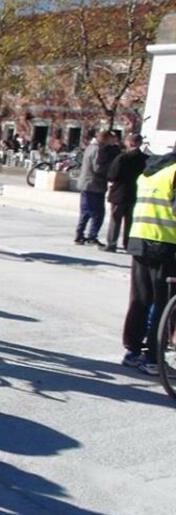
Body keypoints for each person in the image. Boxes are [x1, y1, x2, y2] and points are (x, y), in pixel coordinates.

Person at [121, 144, 176, 375]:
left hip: (140, 239)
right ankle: (154, 358)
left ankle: (132, 350)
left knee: (140, 299)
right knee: (164, 303)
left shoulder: (150, 170)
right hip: (165, 243)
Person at [104, 133, 148, 253]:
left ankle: (111, 244)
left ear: (130, 143)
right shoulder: (145, 159)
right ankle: (127, 243)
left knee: (115, 219)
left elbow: (112, 175)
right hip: (135, 193)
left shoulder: (122, 158)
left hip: (120, 193)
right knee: (130, 220)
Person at [76, 129, 117, 246]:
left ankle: (79, 235)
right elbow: (98, 168)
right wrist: (111, 168)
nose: (113, 142)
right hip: (94, 184)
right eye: (111, 139)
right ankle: (91, 236)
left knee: (85, 212)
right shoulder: (99, 149)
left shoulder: (90, 147)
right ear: (106, 138)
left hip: (86, 184)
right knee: (98, 213)